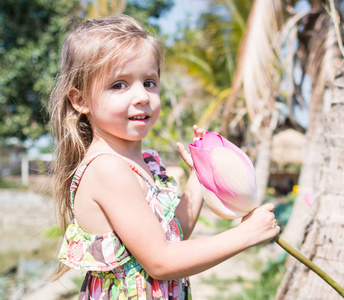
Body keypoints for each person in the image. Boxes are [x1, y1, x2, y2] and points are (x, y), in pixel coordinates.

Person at [50, 15, 280, 300]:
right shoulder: (107, 168)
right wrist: (246, 235)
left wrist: (201, 173)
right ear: (80, 100)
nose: (142, 96)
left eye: (149, 82)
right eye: (119, 85)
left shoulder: (143, 164)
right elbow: (161, 261)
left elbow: (175, 234)